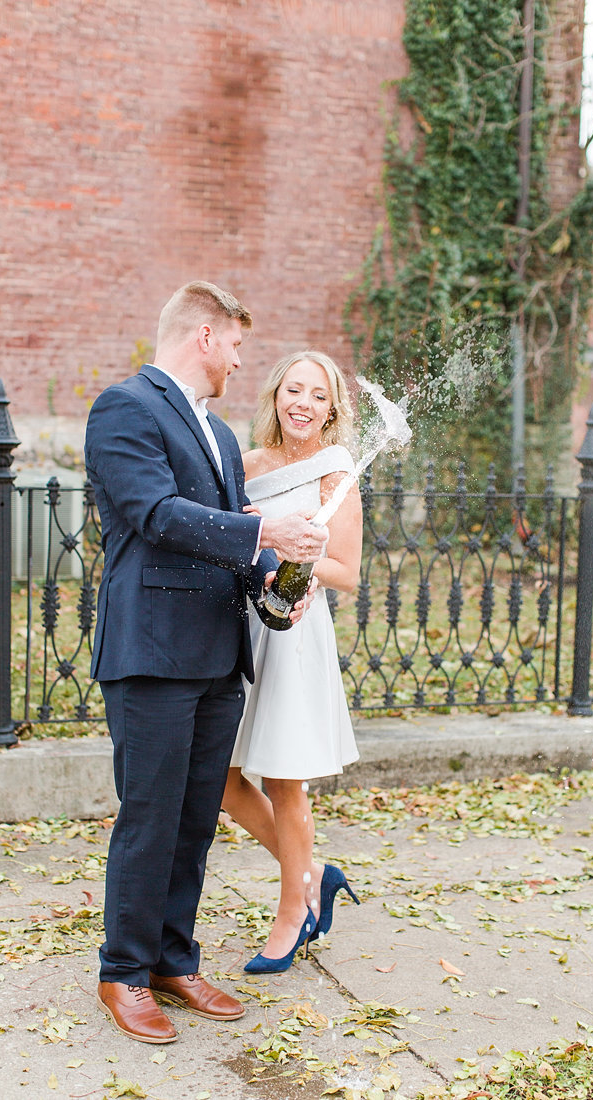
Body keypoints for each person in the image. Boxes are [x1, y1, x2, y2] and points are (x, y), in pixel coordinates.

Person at [84, 283, 328, 1043]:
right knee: (149, 818)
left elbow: (235, 547)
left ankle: (172, 961)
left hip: (218, 659)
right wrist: (263, 530)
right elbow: (154, 515)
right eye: (234, 346)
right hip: (150, 653)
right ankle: (122, 974)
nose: (236, 361)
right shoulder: (123, 408)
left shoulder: (220, 437)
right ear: (201, 334)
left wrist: (278, 587)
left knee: (194, 821)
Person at [222, 350, 363, 973]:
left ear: (332, 408)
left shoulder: (337, 475)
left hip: (294, 626)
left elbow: (348, 573)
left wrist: (297, 563)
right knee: (220, 778)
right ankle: (312, 871)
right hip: (238, 625)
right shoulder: (245, 465)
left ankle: (293, 915)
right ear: (275, 395)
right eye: (293, 390)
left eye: (317, 395)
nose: (302, 403)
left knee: (283, 780)